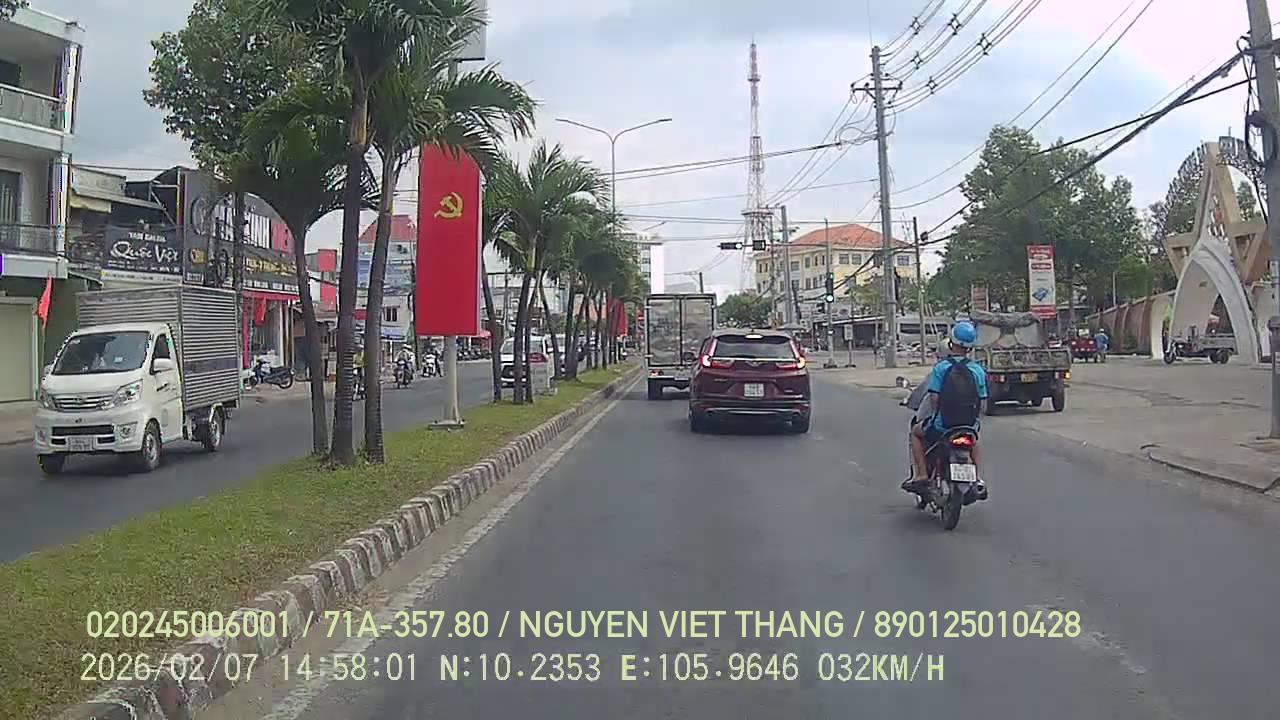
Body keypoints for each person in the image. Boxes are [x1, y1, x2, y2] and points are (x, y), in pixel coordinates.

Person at [903, 320, 989, 495]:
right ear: (970, 347)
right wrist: (974, 420)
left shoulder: (941, 368)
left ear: (951, 343)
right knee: (974, 441)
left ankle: (921, 474)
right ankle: (978, 478)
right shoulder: (978, 370)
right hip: (968, 425)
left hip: (942, 425)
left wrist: (937, 417)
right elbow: (983, 402)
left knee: (915, 434)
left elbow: (934, 398)